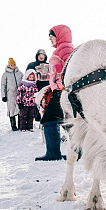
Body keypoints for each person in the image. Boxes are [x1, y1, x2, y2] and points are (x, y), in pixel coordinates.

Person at [35, 25, 74, 161]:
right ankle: (75, 152)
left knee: (49, 120)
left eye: (52, 35)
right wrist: (47, 69)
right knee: (66, 121)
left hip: (62, 91)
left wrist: (54, 68)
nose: (50, 39)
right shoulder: (61, 49)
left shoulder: (66, 49)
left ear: (59, 35)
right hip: (59, 90)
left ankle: (53, 153)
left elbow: (70, 68)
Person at [1, 58, 23, 131]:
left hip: (19, 94)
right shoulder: (5, 74)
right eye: (11, 64)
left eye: (14, 64)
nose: (13, 66)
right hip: (10, 94)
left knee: (19, 109)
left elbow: (24, 82)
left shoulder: (20, 73)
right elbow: (3, 85)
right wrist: (3, 95)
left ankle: (20, 125)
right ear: (9, 65)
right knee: (11, 109)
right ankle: (13, 125)